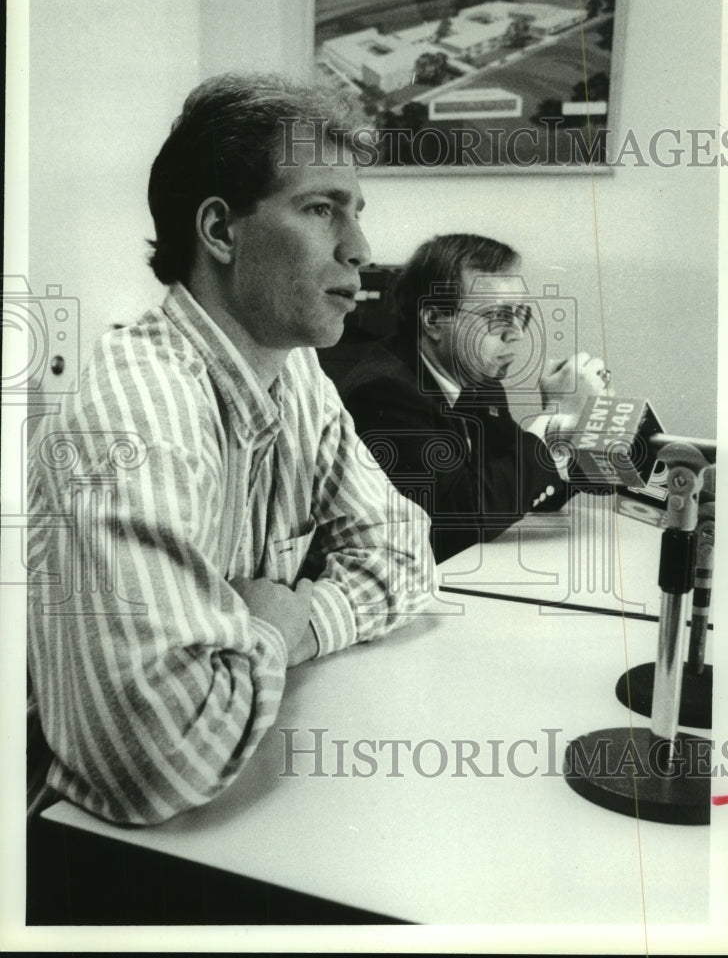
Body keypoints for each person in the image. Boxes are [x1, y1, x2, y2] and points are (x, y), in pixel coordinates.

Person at [26, 73, 435, 829]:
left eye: (357, 212)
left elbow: (407, 550)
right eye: (321, 209)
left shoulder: (294, 369)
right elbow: (158, 758)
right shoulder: (133, 421)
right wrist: (273, 629)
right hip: (72, 856)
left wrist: (292, 621)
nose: (362, 249)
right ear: (220, 231)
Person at [340, 233, 609, 563]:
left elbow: (520, 493)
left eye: (521, 315)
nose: (517, 333)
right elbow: (460, 521)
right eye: (498, 317)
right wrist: (555, 418)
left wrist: (580, 427)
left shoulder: (478, 383)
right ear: (435, 320)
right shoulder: (384, 392)